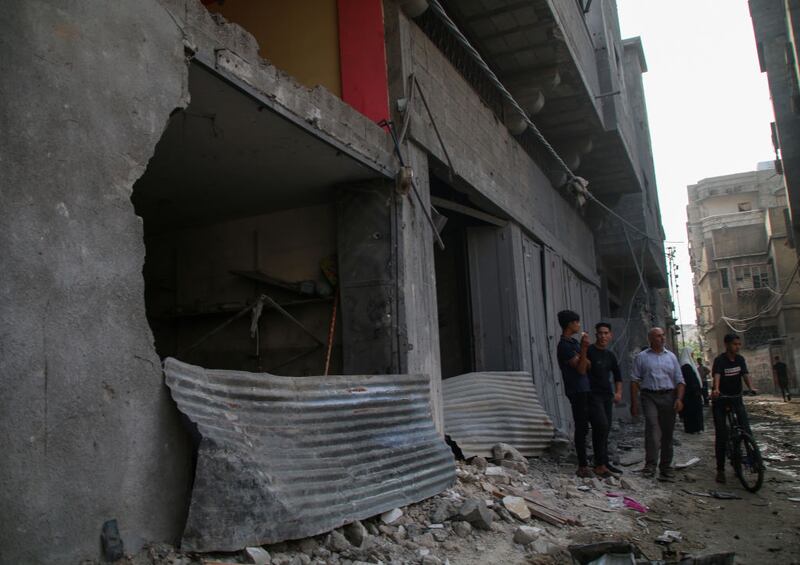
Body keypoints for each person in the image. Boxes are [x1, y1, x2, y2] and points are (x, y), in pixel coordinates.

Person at [630, 327, 685, 480]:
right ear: (651, 339)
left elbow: (680, 380)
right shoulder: (642, 357)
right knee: (653, 430)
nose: (662, 338)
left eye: (663, 336)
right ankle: (650, 465)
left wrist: (679, 399)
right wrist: (634, 403)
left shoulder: (671, 357)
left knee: (667, 433)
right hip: (650, 396)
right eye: (658, 336)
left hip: (668, 396)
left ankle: (666, 467)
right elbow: (634, 381)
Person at [712, 333, 757, 483]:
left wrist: (751, 387)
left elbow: (745, 375)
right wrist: (716, 389)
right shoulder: (720, 360)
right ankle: (720, 470)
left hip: (736, 398)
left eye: (739, 344)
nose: (737, 347)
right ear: (727, 345)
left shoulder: (740, 359)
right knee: (722, 435)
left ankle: (754, 461)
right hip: (721, 400)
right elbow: (717, 375)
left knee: (745, 428)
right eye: (734, 344)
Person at [556, 310, 593, 478]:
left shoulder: (573, 343)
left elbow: (587, 365)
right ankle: (582, 465)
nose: (579, 325)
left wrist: (582, 355)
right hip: (576, 389)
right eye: (576, 322)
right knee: (581, 426)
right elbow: (581, 368)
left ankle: (591, 462)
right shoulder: (564, 345)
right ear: (570, 324)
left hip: (584, 387)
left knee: (587, 425)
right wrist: (584, 349)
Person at [587, 322, 624, 477]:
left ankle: (604, 462)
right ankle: (599, 464)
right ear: (596, 335)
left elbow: (618, 376)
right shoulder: (589, 351)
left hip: (607, 395)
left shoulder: (610, 355)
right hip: (592, 395)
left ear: (610, 335)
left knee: (606, 427)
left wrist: (618, 393)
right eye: (600, 333)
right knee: (600, 425)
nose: (603, 336)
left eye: (606, 333)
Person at [680, 349, 704, 434]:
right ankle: (693, 428)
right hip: (691, 394)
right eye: (692, 354)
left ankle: (695, 428)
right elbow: (690, 381)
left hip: (692, 393)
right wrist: (696, 390)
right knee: (692, 412)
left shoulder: (688, 364)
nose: (693, 356)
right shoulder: (686, 366)